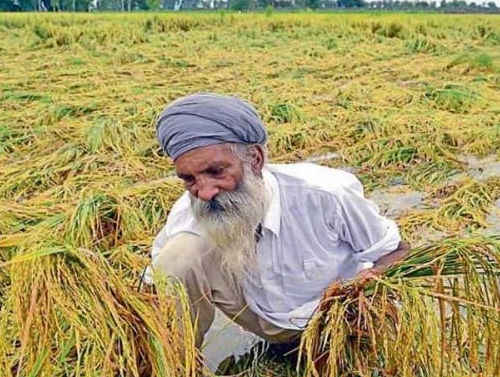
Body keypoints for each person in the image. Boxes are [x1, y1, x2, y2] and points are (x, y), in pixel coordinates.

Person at [148, 92, 410, 348]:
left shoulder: (326, 194)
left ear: (255, 160)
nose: (204, 193)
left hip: (338, 320)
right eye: (189, 180)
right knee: (179, 256)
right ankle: (180, 371)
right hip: (259, 316)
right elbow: (155, 287)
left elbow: (398, 251)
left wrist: (366, 283)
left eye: (216, 171)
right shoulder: (188, 211)